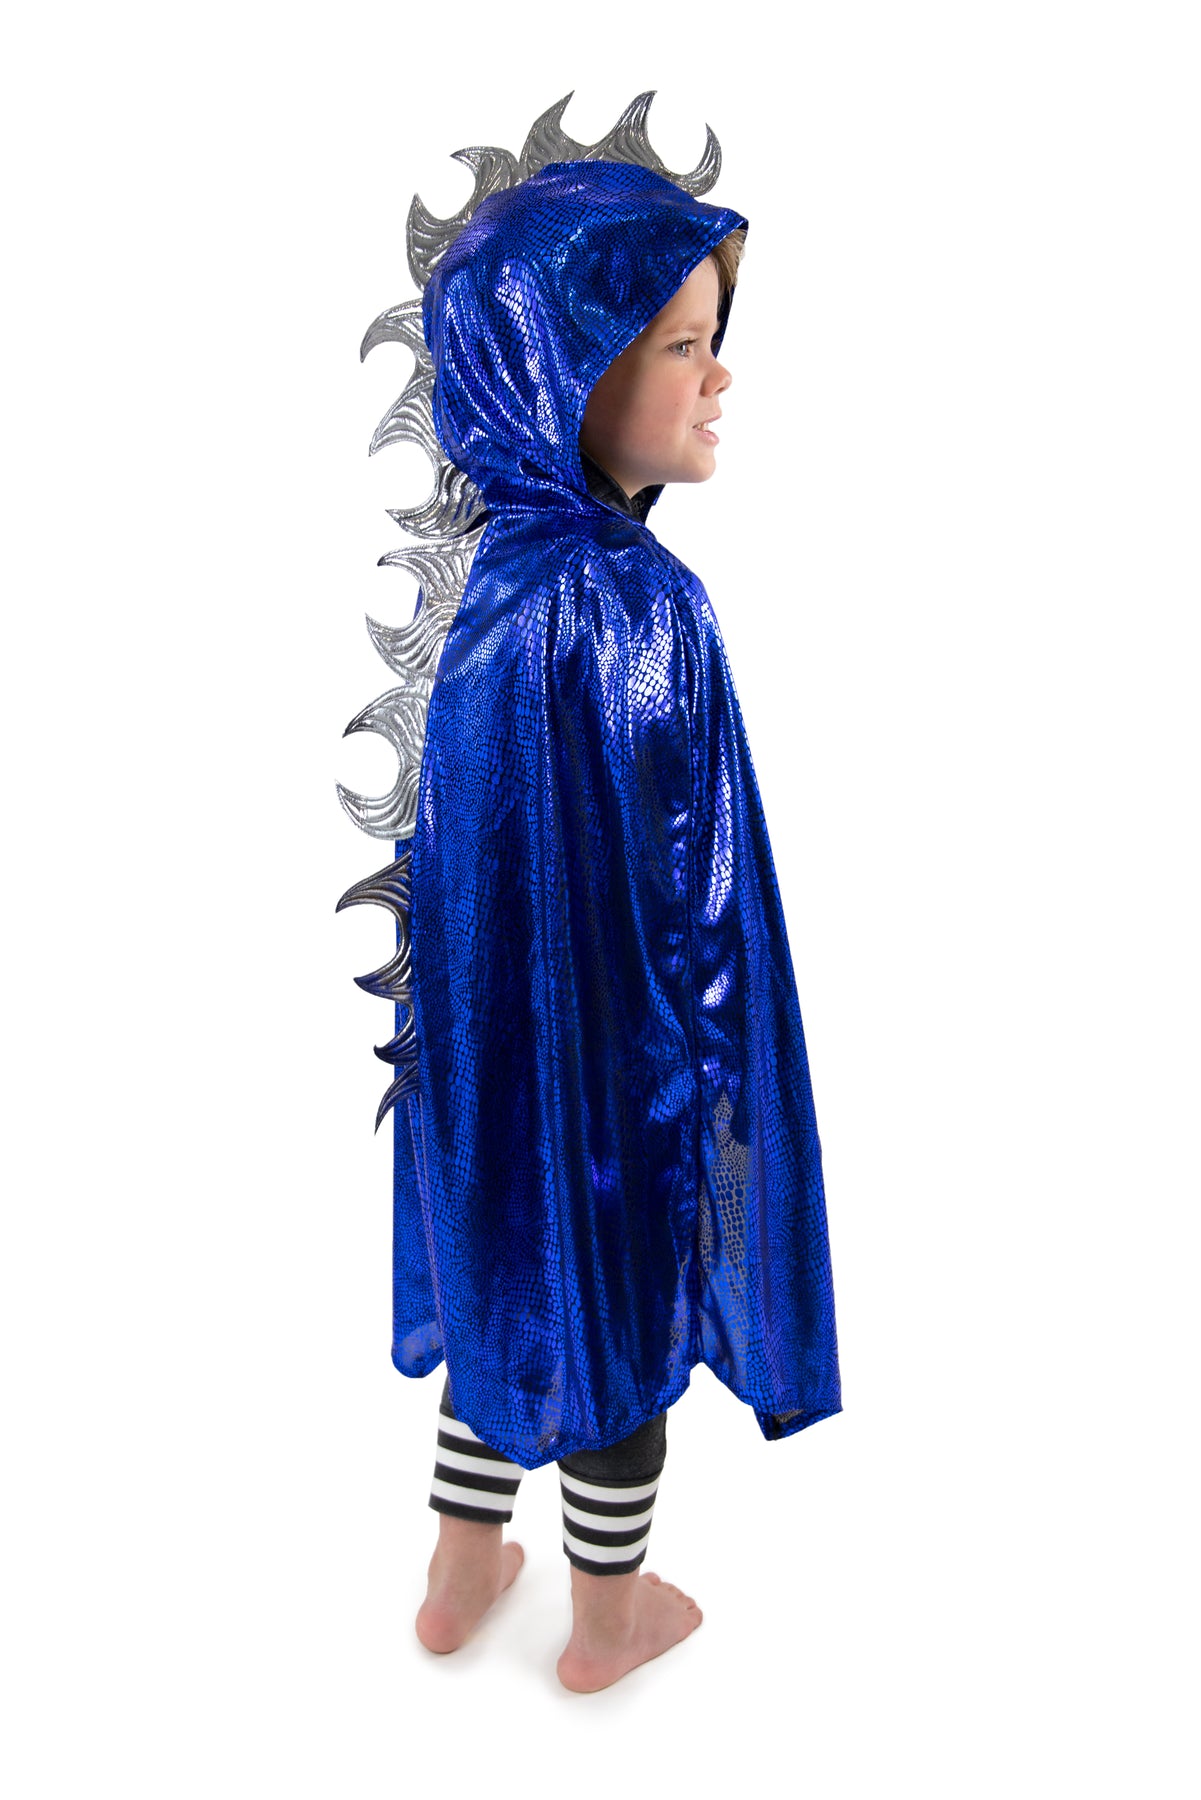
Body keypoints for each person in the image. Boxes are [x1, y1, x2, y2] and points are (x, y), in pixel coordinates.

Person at [384, 158, 841, 1691]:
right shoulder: (647, 605)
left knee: (503, 1286)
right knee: (620, 1318)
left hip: (484, 1082)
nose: (720, 376)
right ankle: (605, 1620)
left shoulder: (490, 592)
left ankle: (459, 1571)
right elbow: (696, 892)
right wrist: (719, 1092)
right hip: (621, 1078)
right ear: (566, 374)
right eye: (681, 344)